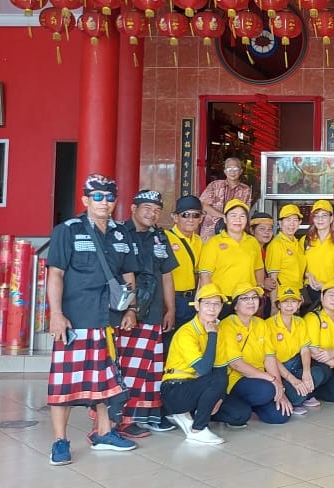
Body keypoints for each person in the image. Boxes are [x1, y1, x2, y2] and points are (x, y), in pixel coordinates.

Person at [46, 174, 140, 465]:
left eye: (110, 197)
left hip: (107, 320)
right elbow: (56, 274)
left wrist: (131, 309)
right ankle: (60, 442)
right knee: (64, 384)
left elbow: (128, 275)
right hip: (75, 320)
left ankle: (103, 433)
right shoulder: (68, 231)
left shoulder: (121, 233)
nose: (104, 202)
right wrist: (57, 314)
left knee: (105, 380)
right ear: (86, 200)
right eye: (97, 196)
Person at [113, 189, 178, 437]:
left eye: (157, 209)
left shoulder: (160, 238)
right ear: (133, 208)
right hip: (127, 314)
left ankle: (148, 415)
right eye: (147, 208)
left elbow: (167, 275)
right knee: (128, 367)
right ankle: (121, 418)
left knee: (151, 368)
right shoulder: (118, 235)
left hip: (153, 312)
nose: (153, 213)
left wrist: (170, 308)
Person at [161, 282, 235, 445]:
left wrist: (219, 397)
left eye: (216, 304)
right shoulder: (186, 332)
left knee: (239, 415)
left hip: (196, 385)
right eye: (207, 303)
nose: (212, 308)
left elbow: (221, 368)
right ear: (197, 306)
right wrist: (212, 336)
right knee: (217, 379)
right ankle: (197, 430)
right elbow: (204, 368)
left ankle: (188, 414)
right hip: (175, 388)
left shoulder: (218, 329)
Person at [216, 283, 291, 425]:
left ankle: (252, 404)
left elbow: (270, 358)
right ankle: (234, 404)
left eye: (254, 297)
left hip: (260, 379)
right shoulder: (227, 325)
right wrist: (271, 380)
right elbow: (236, 364)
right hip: (236, 378)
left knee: (280, 416)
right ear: (235, 305)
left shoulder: (261, 324)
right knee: (266, 390)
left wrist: (280, 388)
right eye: (245, 298)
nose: (251, 301)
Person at [197, 199, 266, 305]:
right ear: (225, 219)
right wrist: (210, 299)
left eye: (242, 216)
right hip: (221, 299)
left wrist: (260, 287)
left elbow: (259, 268)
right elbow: (205, 275)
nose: (238, 219)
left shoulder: (253, 242)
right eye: (233, 215)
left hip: (247, 299)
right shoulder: (213, 243)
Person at [267, 286, 316, 415]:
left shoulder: (300, 322)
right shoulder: (268, 325)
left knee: (322, 372)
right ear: (278, 304)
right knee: (297, 396)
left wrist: (306, 372)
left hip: (296, 365)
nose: (289, 305)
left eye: (293, 301)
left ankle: (302, 392)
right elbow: (271, 358)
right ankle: (299, 396)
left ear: (299, 304)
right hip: (278, 370)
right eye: (285, 301)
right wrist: (293, 379)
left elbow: (305, 349)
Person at [164, 195, 204, 352]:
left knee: (190, 344)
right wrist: (168, 308)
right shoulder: (165, 238)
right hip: (172, 300)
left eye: (196, 215)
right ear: (175, 217)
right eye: (185, 215)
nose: (191, 219)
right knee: (170, 343)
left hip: (193, 300)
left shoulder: (199, 241)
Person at [304, 199, 334, 312]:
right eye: (316, 216)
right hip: (310, 292)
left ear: (331, 219)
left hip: (332, 292)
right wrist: (308, 276)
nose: (320, 219)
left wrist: (327, 285)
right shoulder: (305, 240)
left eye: (324, 215)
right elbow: (300, 267)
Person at [199, 157, 252, 240]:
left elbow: (245, 210)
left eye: (235, 168)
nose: (232, 172)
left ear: (241, 171)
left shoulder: (246, 190)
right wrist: (223, 216)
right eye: (229, 169)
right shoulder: (214, 185)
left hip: (234, 230)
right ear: (225, 171)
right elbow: (203, 205)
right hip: (210, 230)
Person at [266, 204, 306, 310]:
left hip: (296, 296)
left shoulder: (297, 243)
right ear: (280, 223)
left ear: (300, 223)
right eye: (288, 220)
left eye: (295, 220)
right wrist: (274, 306)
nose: (291, 224)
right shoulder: (276, 244)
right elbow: (273, 278)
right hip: (282, 298)